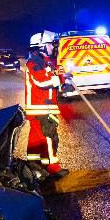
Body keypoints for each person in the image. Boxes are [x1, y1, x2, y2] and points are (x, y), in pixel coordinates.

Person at [24, 31, 69, 177]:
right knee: (49, 137)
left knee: (37, 139)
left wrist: (63, 76)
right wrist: (59, 78)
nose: (52, 46)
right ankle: (52, 168)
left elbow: (51, 76)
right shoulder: (35, 62)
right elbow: (42, 81)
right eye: (50, 44)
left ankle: (35, 165)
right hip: (42, 107)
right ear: (41, 46)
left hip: (39, 108)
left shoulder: (43, 61)